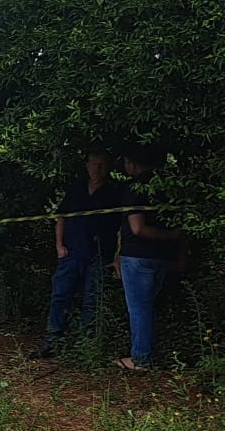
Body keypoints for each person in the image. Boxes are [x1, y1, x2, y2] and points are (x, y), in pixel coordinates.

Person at [34, 151, 122, 358]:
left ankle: (86, 347)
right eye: (94, 164)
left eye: (102, 164)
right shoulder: (76, 189)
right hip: (71, 253)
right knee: (60, 297)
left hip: (100, 255)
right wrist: (59, 245)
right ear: (87, 165)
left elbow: (123, 226)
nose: (97, 169)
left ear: (109, 167)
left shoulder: (115, 192)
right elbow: (61, 216)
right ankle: (53, 344)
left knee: (92, 300)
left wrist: (118, 255)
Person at [115, 145, 186, 371]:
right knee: (154, 306)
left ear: (132, 163)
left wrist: (168, 235)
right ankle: (166, 352)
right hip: (165, 257)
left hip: (138, 257)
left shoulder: (135, 188)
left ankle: (141, 358)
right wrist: (174, 240)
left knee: (139, 308)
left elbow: (137, 228)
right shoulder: (169, 187)